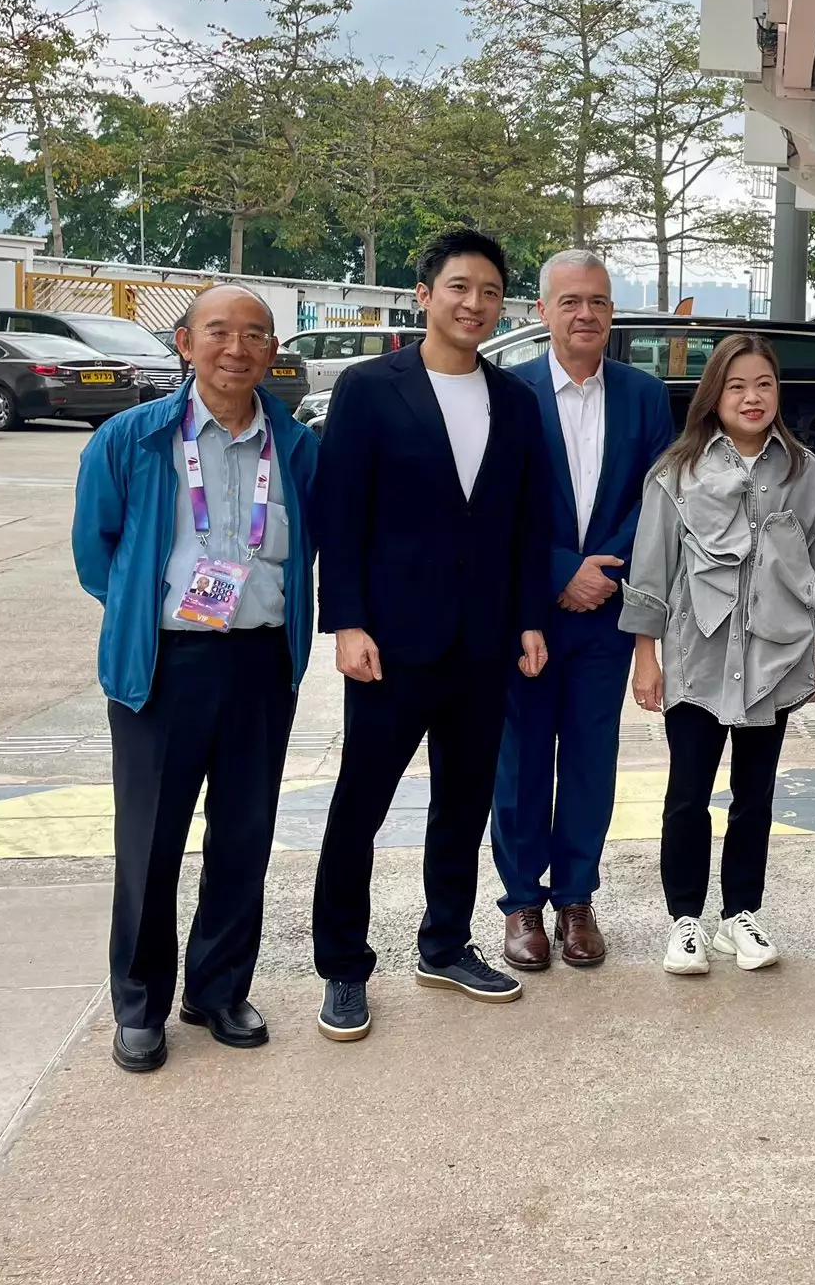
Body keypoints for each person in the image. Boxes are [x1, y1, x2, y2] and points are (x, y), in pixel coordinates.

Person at [310, 229, 552, 1042]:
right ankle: (344, 966)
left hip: (483, 641)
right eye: (459, 287)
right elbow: (339, 513)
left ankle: (445, 944)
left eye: (489, 292)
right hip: (391, 641)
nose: (474, 304)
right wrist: (347, 621)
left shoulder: (514, 401)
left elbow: (527, 522)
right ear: (425, 295)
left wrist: (528, 618)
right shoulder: (369, 389)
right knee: (361, 805)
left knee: (464, 802)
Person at [73, 284, 319, 1074]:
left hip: (261, 661)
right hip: (163, 664)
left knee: (244, 834)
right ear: (185, 344)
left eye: (255, 335)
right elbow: (97, 555)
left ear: (272, 352)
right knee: (150, 842)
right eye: (218, 331)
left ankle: (217, 990)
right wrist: (147, 616)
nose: (236, 349)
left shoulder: (298, 448)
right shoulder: (132, 439)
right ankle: (140, 1004)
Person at [621, 334, 815, 977]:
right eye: (737, 385)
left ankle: (739, 913)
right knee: (687, 794)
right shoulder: (676, 472)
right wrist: (646, 656)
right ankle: (685, 919)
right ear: (713, 394)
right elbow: (652, 567)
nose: (752, 397)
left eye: (764, 384)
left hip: (774, 659)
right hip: (697, 660)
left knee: (756, 794)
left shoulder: (806, 472)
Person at [491, 250, 673, 972]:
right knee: (522, 759)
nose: (586, 314)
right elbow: (494, 504)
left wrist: (602, 571)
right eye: (570, 301)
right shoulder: (509, 391)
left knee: (593, 760)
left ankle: (576, 899)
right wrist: (561, 569)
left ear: (611, 311)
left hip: (607, 612)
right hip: (527, 612)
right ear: (542, 310)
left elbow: (657, 496)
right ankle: (521, 902)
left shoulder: (643, 394)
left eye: (598, 301)